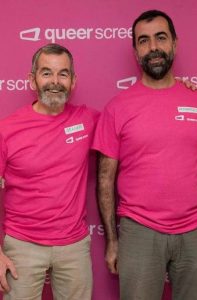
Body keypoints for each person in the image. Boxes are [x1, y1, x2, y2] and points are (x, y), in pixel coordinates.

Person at [92, 9, 197, 300]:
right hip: (139, 231)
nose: (153, 48)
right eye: (144, 41)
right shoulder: (116, 108)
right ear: (135, 51)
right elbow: (105, 181)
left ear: (175, 42)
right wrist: (112, 240)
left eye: (161, 38)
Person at [0, 43, 98, 300]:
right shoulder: (7, 130)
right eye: (46, 73)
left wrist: (171, 87)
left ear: (73, 81)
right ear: (32, 80)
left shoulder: (87, 120)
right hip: (22, 246)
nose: (55, 81)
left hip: (74, 247)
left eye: (63, 74)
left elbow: (133, 122)